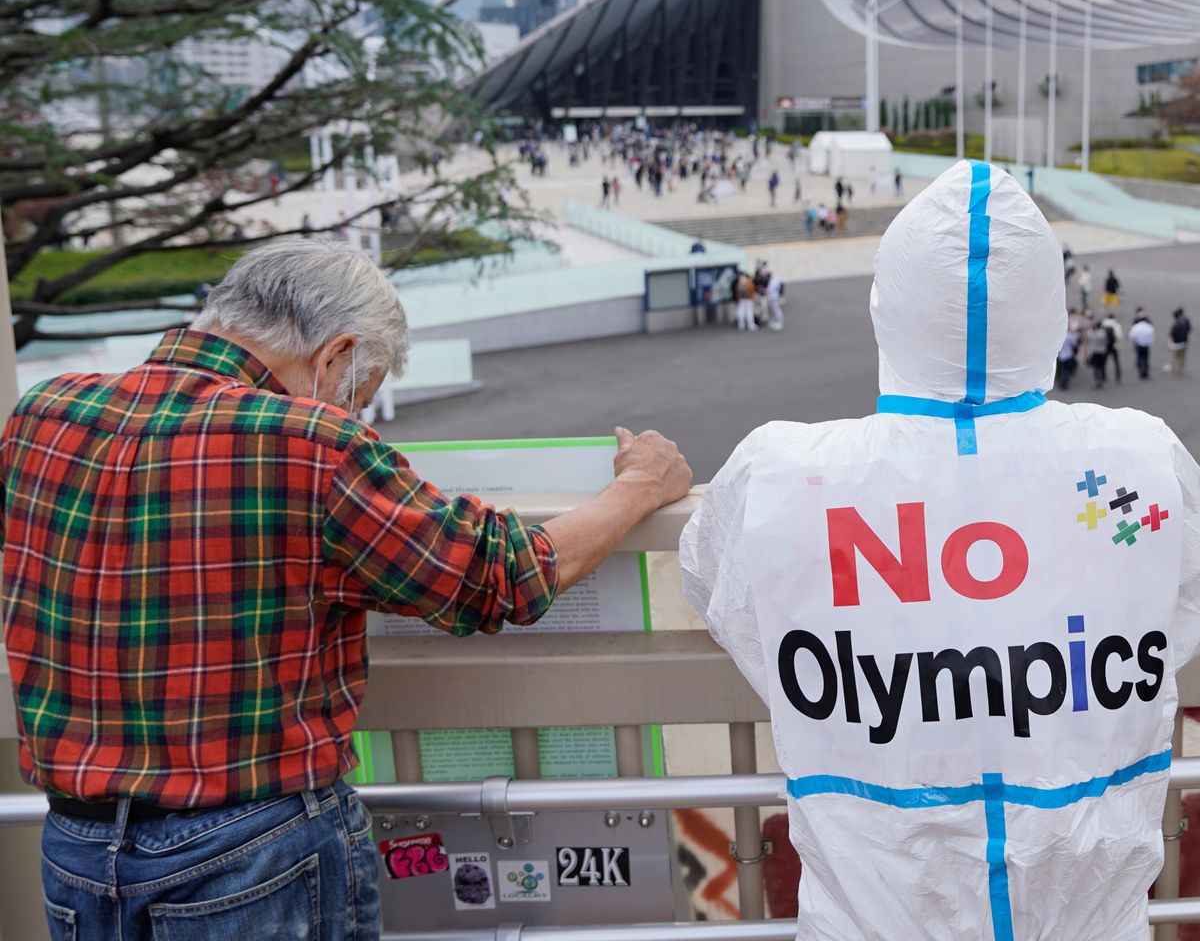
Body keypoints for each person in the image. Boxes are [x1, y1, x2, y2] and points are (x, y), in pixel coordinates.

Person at [5, 240, 692, 938]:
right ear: (332, 355)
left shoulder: (43, 416)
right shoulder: (311, 445)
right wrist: (639, 486)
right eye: (356, 397)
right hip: (252, 852)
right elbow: (503, 573)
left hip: (79, 851)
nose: (352, 415)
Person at [677, 160, 1200, 941]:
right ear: (1048, 308)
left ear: (889, 304)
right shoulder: (1137, 458)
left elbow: (718, 595)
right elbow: (1195, 605)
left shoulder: (779, 472)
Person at [1130, 309, 1155, 380]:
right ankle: (1146, 372)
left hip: (1139, 344)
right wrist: (1150, 342)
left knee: (1140, 357)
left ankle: (1141, 371)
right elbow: (1151, 336)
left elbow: (1132, 336)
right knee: (1146, 358)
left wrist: (1134, 343)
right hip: (1146, 345)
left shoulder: (1136, 327)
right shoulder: (1149, 327)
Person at [1101, 310, 1125, 384]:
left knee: (1104, 362)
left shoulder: (1103, 324)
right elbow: (1120, 336)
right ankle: (1118, 376)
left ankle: (1103, 376)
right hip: (1114, 346)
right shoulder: (1116, 325)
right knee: (1116, 362)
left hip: (1105, 346)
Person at [1086, 319, 1111, 388]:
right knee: (1100, 367)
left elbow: (1088, 341)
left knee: (1095, 367)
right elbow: (1106, 342)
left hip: (1094, 352)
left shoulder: (1091, 333)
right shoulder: (1102, 333)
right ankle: (1099, 380)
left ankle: (1095, 381)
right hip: (1101, 351)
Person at [1168, 307, 1192, 377]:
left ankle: (1177, 371)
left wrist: (1170, 344)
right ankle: (1181, 370)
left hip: (1176, 344)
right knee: (1182, 357)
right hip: (1184, 342)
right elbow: (1189, 329)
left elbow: (1172, 335)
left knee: (1176, 358)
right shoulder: (1185, 322)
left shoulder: (1175, 325)